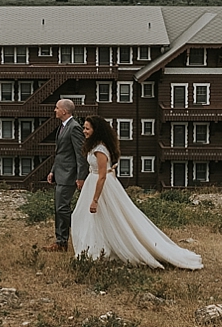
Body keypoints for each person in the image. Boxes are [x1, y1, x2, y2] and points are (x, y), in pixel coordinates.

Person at [71, 115, 203, 270]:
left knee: (109, 217)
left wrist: (95, 199)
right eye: (84, 128)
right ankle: (95, 248)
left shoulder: (100, 149)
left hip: (101, 187)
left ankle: (102, 249)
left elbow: (102, 177)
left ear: (96, 130)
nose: (84, 131)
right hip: (92, 183)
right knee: (90, 219)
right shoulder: (93, 147)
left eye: (87, 128)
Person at [43, 99, 89, 252]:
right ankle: (61, 242)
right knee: (59, 208)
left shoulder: (74, 128)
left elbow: (80, 154)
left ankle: (75, 234)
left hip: (69, 175)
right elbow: (61, 153)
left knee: (62, 208)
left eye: (57, 108)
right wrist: (52, 171)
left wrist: (81, 177)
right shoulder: (62, 127)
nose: (54, 110)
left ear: (64, 111)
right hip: (60, 173)